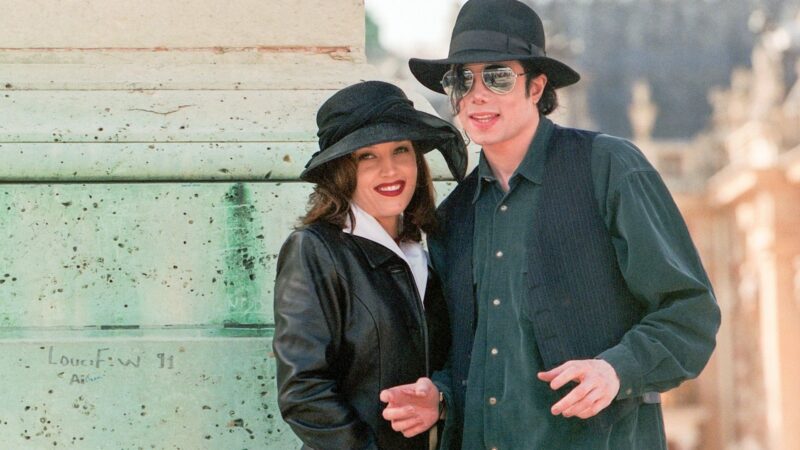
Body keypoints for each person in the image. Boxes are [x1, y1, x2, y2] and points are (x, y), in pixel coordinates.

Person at [380, 1, 722, 449]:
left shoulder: (610, 168)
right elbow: (467, 355)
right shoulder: (453, 216)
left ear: (537, 86)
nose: (476, 94)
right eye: (461, 79)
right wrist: (440, 397)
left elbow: (690, 313)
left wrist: (616, 370)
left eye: (497, 77)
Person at [272, 80, 467, 450]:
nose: (390, 170)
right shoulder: (314, 250)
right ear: (341, 170)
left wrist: (441, 402)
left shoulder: (428, 254)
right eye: (367, 156)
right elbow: (303, 392)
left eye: (401, 150)